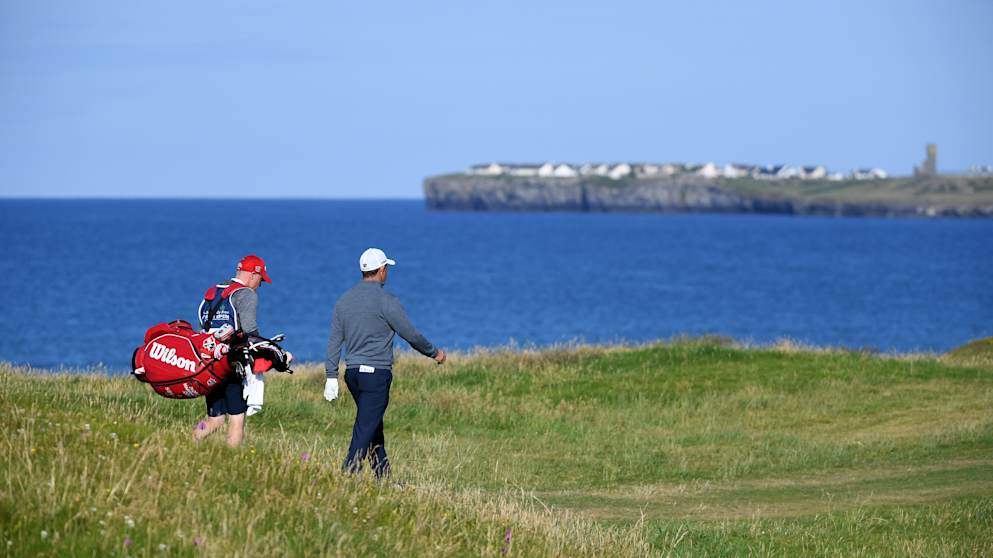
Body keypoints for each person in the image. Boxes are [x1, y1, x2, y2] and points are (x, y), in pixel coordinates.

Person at [325, 248, 446, 478]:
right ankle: (347, 476)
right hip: (376, 376)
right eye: (386, 269)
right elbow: (410, 334)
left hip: (353, 375)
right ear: (381, 270)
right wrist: (434, 353)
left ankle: (385, 479)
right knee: (365, 427)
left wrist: (331, 375)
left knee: (372, 425)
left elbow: (334, 342)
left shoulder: (344, 301)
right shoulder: (386, 301)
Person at [192, 254, 271, 448]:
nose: (260, 285)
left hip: (209, 363)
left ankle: (187, 445)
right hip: (230, 365)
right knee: (237, 417)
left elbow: (203, 325)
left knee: (215, 420)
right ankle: (232, 459)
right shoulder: (246, 295)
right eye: (261, 280)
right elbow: (251, 332)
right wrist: (274, 353)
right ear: (254, 275)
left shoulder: (214, 292)